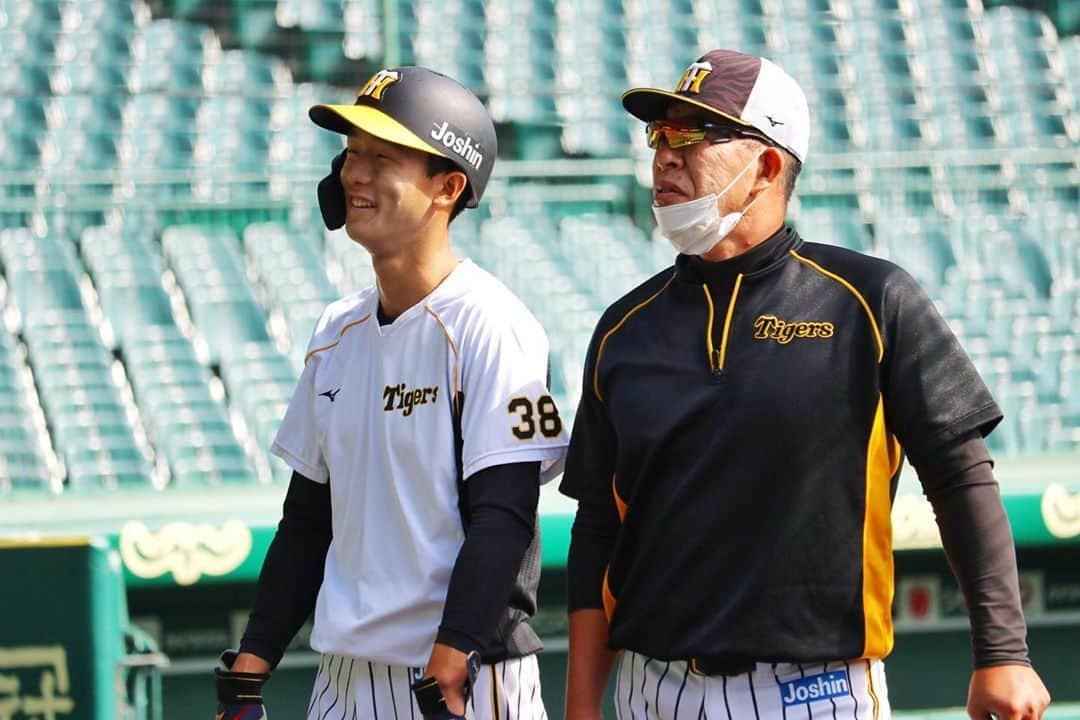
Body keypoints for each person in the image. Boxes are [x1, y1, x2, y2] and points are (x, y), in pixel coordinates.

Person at [560, 49, 1052, 720]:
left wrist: (1004, 653)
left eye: (692, 133)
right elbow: (596, 531)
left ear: (765, 166)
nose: (664, 155)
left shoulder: (871, 298)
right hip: (652, 691)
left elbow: (961, 478)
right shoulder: (625, 328)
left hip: (816, 694)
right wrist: (582, 704)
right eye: (659, 134)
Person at [213, 66, 569, 720]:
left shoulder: (496, 324)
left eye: (382, 158)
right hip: (344, 678)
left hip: (459, 677)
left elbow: (506, 517)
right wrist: (252, 661)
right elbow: (309, 519)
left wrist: (454, 652)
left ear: (448, 186)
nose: (354, 174)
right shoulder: (334, 331)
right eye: (351, 154)